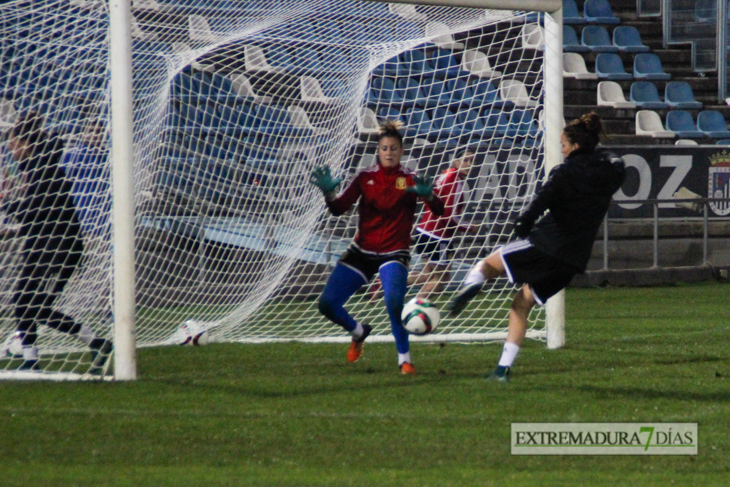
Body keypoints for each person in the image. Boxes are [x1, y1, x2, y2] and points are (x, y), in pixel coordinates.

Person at [445, 112, 626, 382]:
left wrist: (524, 220)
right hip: (572, 261)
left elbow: (544, 198)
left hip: (546, 244)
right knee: (521, 304)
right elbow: (616, 163)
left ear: (575, 146)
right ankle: (502, 370)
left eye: (563, 144)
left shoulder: (565, 172)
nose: (561, 149)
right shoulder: (609, 171)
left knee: (487, 264)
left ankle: (472, 285)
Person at [310, 120, 444, 375]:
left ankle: (404, 359)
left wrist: (428, 196)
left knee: (394, 301)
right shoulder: (365, 178)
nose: (389, 152)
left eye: (394, 148)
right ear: (378, 151)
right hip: (362, 252)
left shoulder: (408, 180)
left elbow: (439, 211)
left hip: (395, 252)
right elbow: (338, 209)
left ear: (402, 151)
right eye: (384, 148)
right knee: (326, 304)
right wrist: (328, 194)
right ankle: (359, 331)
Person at [1, 111, 112, 372]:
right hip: (41, 247)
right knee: (23, 300)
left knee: (36, 305)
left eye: (13, 144)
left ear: (26, 145)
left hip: (60, 250)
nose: (9, 149)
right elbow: (33, 214)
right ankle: (31, 361)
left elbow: (33, 211)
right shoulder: (35, 167)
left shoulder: (46, 171)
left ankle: (96, 342)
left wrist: (6, 202)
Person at [407, 147, 479, 300]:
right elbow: (449, 217)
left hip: (424, 229)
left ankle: (386, 283)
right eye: (465, 160)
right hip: (437, 234)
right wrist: (469, 227)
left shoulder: (446, 174)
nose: (469, 164)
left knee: (428, 275)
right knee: (441, 279)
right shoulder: (455, 180)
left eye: (472, 161)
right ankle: (415, 309)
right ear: (456, 161)